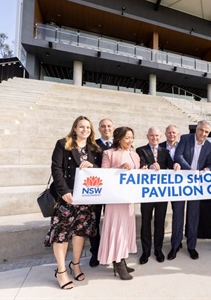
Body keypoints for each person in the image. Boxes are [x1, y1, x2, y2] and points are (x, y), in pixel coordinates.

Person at [45, 116, 102, 290]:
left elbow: (101, 172)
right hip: (66, 197)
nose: (85, 130)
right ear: (75, 128)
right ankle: (61, 271)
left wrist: (92, 167)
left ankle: (75, 264)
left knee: (80, 233)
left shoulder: (95, 149)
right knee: (61, 234)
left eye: (88, 127)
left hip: (85, 198)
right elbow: (56, 169)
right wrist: (64, 192)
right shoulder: (64, 144)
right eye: (81, 127)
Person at [98, 126, 142, 280]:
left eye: (132, 137)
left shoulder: (135, 155)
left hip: (128, 199)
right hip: (115, 200)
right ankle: (117, 262)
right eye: (127, 138)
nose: (130, 141)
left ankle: (122, 258)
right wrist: (119, 168)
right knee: (116, 229)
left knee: (125, 230)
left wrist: (146, 169)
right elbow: (103, 174)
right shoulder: (109, 153)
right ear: (118, 138)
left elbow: (138, 174)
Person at [136, 127, 180, 265]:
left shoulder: (165, 152)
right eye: (152, 135)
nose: (154, 138)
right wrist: (148, 166)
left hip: (161, 193)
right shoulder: (140, 150)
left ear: (160, 137)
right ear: (147, 136)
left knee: (159, 222)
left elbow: (170, 164)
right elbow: (141, 163)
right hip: (147, 193)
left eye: (157, 136)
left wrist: (176, 165)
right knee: (146, 222)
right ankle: (146, 251)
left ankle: (158, 250)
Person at [170, 120, 211, 260]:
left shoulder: (209, 146)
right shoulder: (185, 139)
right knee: (178, 214)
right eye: (201, 130)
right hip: (181, 181)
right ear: (197, 129)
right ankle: (175, 246)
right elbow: (178, 157)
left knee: (193, 216)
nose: (203, 133)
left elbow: (209, 164)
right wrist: (191, 170)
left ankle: (191, 246)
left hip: (197, 185)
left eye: (207, 132)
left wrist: (207, 169)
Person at [89, 118, 114, 268]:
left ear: (113, 128)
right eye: (103, 126)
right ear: (99, 129)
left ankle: (111, 252)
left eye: (109, 126)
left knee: (112, 222)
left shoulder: (120, 144)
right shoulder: (92, 146)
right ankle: (95, 253)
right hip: (97, 190)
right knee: (94, 222)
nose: (106, 128)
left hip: (113, 191)